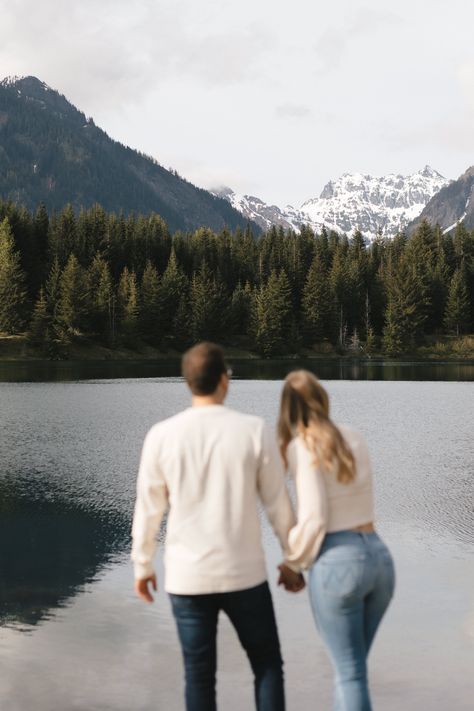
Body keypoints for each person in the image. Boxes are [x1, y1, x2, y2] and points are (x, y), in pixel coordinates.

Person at [131, 342, 303, 711]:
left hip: (187, 578)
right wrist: (293, 561)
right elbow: (278, 506)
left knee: (198, 675)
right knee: (267, 665)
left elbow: (148, 509)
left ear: (188, 382)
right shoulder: (253, 431)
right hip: (244, 576)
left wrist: (142, 565)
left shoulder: (162, 435)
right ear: (225, 381)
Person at [277, 370, 395, 711]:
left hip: (339, 563)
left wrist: (293, 563)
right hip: (380, 559)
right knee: (354, 672)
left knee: (349, 675)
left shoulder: (303, 444)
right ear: (322, 399)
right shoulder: (354, 436)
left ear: (288, 410)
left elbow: (314, 518)